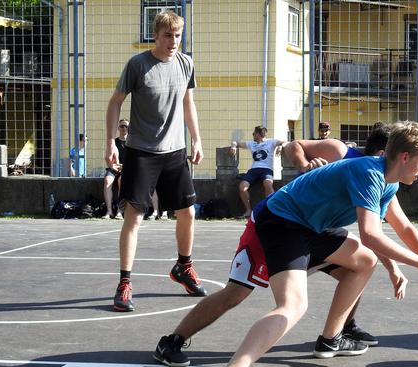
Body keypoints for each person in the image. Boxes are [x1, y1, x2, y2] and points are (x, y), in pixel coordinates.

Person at [211, 121, 418, 367]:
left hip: (313, 225)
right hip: (284, 220)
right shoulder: (369, 173)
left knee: (364, 260)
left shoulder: (389, 182)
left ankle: (331, 339)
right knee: (292, 306)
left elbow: (400, 229)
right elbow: (370, 235)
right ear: (405, 157)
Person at [153, 126, 399, 367]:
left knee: (361, 264)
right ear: (386, 153)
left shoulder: (386, 178)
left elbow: (383, 230)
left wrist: (397, 267)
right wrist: (305, 165)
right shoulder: (342, 153)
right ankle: (173, 341)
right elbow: (294, 146)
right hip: (280, 223)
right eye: (414, 157)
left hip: (314, 229)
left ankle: (335, 335)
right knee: (237, 292)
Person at [105, 10, 206, 312]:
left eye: (177, 35)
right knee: (134, 218)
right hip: (141, 152)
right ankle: (124, 283)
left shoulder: (185, 63)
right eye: (168, 35)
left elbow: (188, 102)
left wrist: (196, 139)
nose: (173, 41)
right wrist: (111, 142)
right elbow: (115, 103)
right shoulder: (138, 65)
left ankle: (183, 268)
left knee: (187, 212)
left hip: (174, 152)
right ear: (156, 35)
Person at [229, 125, 285, 218]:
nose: (253, 135)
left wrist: (280, 146)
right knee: (242, 187)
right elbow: (236, 142)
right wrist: (234, 146)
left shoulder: (271, 142)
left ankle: (270, 209)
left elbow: (284, 141)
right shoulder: (252, 144)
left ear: (258, 134)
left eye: (253, 134)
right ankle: (248, 210)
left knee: (268, 184)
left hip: (267, 169)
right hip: (254, 170)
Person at [102, 120, 128, 219]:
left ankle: (120, 211)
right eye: (122, 126)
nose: (124, 128)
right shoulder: (114, 143)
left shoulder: (132, 143)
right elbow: (107, 157)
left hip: (127, 168)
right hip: (113, 167)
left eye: (126, 126)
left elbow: (135, 160)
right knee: (107, 180)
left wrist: (124, 166)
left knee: (121, 180)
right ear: (118, 128)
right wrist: (112, 165)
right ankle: (109, 211)